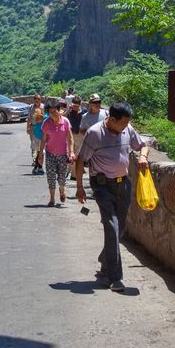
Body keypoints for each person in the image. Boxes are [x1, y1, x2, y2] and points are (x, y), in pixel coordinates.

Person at [75, 100, 150, 292]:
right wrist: (79, 188)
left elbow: (143, 145)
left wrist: (143, 156)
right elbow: (81, 159)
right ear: (112, 119)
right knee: (111, 226)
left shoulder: (127, 129)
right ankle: (114, 277)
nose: (125, 127)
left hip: (122, 184)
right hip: (102, 186)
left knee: (121, 227)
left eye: (127, 124)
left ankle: (105, 260)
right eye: (123, 123)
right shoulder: (94, 133)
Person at [41, 99, 74, 206]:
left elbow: (70, 137)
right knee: (50, 176)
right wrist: (40, 154)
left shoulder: (65, 122)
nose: (53, 114)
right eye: (50, 112)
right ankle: (52, 199)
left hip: (63, 154)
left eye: (55, 111)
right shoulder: (46, 123)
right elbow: (43, 139)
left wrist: (72, 152)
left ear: (59, 110)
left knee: (62, 177)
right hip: (50, 154)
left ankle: (62, 190)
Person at [66, 95, 84, 180]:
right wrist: (68, 110)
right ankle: (71, 172)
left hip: (79, 135)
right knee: (70, 153)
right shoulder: (69, 112)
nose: (75, 108)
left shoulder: (83, 112)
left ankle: (74, 174)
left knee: (77, 155)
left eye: (77, 106)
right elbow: (61, 117)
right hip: (70, 134)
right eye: (74, 106)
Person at [26, 94, 45, 174]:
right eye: (35, 99)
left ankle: (38, 166)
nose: (37, 100)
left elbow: (46, 117)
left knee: (41, 149)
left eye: (38, 99)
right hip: (33, 128)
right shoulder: (31, 107)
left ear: (40, 100)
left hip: (42, 129)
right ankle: (38, 166)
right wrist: (27, 127)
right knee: (35, 147)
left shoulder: (43, 107)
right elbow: (29, 118)